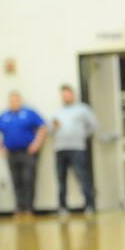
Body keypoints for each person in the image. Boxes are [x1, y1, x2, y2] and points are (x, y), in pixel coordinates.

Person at [0, 92, 47, 218]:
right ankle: (19, 207)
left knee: (28, 179)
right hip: (11, 152)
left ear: (20, 101)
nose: (14, 102)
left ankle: (28, 208)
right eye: (11, 100)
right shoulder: (4, 116)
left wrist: (36, 144)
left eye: (16, 100)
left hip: (27, 152)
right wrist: (0, 147)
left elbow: (43, 127)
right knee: (16, 180)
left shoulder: (29, 113)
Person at [51, 84, 98, 218]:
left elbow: (93, 126)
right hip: (60, 148)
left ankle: (89, 205)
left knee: (82, 176)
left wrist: (82, 136)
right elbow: (51, 129)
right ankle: (62, 207)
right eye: (63, 94)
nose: (66, 96)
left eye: (68, 93)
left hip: (77, 148)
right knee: (61, 179)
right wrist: (54, 127)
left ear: (73, 94)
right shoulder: (57, 112)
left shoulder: (82, 109)